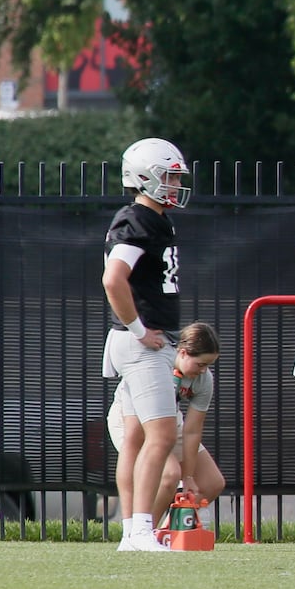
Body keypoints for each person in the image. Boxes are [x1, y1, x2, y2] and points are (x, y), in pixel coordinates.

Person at [101, 137, 192, 552]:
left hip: (140, 340)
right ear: (143, 178)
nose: (174, 185)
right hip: (141, 343)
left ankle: (131, 530)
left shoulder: (155, 219)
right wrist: (139, 329)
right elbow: (112, 278)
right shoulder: (136, 219)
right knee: (161, 435)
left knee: (137, 437)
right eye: (168, 177)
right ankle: (139, 530)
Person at [108, 323, 226, 524]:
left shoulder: (204, 380)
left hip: (170, 421)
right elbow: (140, 419)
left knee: (211, 483)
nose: (204, 370)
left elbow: (192, 430)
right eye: (200, 364)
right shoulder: (157, 365)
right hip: (132, 419)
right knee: (169, 474)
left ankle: (168, 530)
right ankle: (143, 533)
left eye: (208, 365)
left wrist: (188, 477)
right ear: (182, 352)